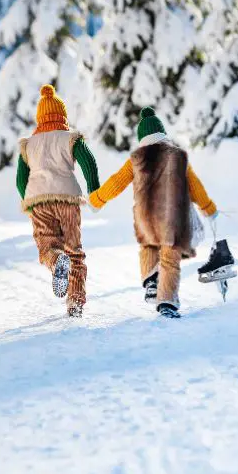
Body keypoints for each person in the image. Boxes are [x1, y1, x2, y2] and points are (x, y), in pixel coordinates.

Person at [89, 107, 218, 318]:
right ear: (163, 134)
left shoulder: (136, 159)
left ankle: (151, 281)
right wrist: (209, 208)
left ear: (142, 139)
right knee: (169, 258)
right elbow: (195, 187)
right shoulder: (177, 155)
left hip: (146, 217)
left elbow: (115, 183)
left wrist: (97, 199)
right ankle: (166, 301)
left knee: (148, 246)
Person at [16, 85, 101, 317]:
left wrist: (28, 201)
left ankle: (55, 261)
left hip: (39, 201)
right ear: (62, 114)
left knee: (46, 246)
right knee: (75, 251)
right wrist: (94, 190)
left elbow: (20, 179)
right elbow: (89, 163)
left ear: (39, 118)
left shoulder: (28, 145)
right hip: (68, 199)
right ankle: (75, 304)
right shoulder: (71, 138)